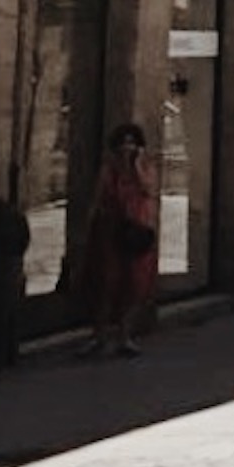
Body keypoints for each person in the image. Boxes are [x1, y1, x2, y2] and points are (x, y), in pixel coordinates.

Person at [82, 123, 159, 357]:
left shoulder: (145, 167)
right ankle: (99, 336)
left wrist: (135, 165)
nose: (128, 147)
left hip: (136, 230)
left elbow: (148, 190)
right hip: (110, 230)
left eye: (132, 142)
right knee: (107, 283)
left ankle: (125, 336)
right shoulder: (109, 170)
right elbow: (98, 198)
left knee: (134, 284)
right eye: (123, 143)